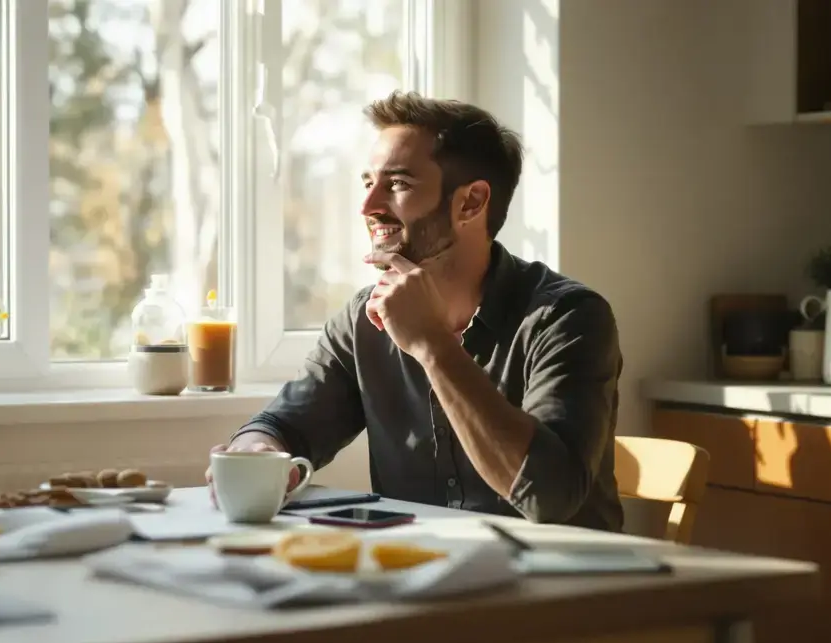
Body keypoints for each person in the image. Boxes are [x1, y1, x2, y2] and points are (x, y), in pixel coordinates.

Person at [206, 91, 624, 532]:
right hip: (423, 576)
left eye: (399, 184)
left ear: (471, 203)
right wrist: (257, 449)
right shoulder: (363, 320)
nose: (368, 208)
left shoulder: (568, 318)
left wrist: (433, 346)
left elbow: (549, 496)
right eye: (368, 183)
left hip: (564, 586)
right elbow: (286, 424)